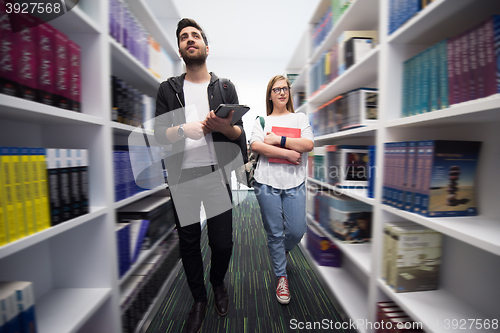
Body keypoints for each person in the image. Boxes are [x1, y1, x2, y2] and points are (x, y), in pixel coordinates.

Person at [153, 18, 246, 333]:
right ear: (180, 49)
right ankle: (199, 298)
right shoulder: (168, 89)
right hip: (183, 177)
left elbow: (238, 135)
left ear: (206, 47)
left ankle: (217, 281)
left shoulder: (224, 87)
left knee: (222, 244)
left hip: (216, 174)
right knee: (189, 244)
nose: (189, 40)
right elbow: (157, 134)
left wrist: (225, 127)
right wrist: (182, 129)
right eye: (183, 37)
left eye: (194, 35)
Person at [249, 75, 314, 305]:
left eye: (285, 88)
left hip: (294, 182)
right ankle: (281, 276)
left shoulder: (299, 118)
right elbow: (256, 145)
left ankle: (282, 252)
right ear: (270, 94)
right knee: (274, 232)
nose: (281, 92)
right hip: (266, 181)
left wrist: (278, 140)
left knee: (297, 231)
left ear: (289, 92)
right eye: (276, 89)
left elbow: (308, 144)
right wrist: (286, 152)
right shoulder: (262, 120)